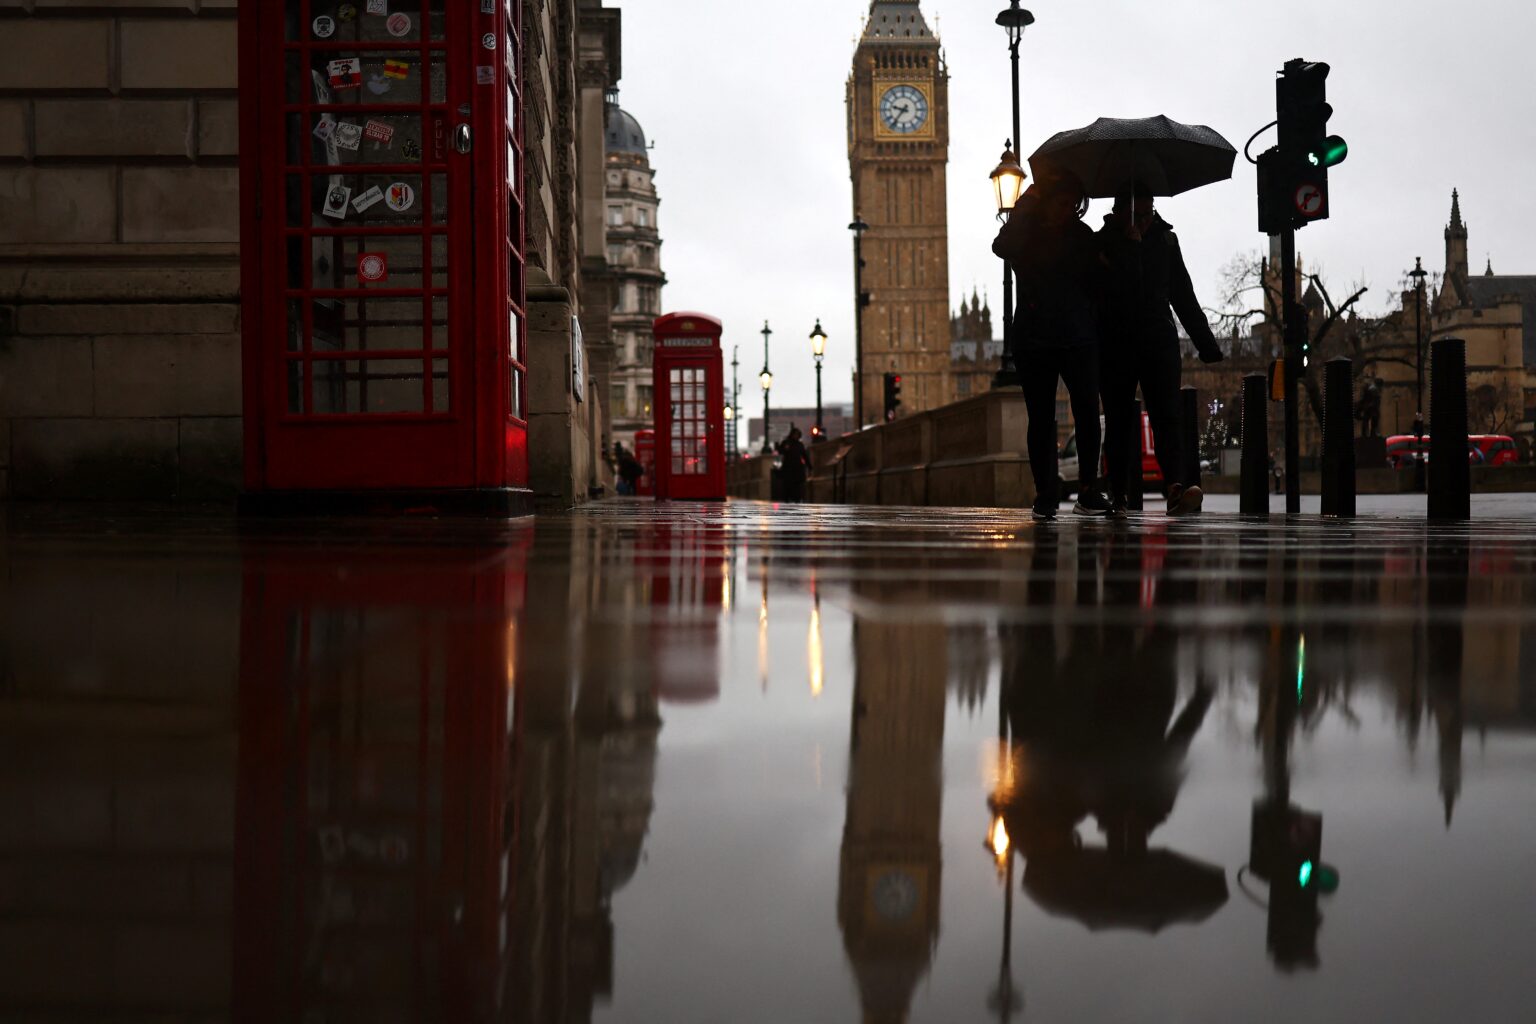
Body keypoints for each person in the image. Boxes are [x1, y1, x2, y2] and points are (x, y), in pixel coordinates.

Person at [1097, 182, 1224, 515]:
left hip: (1158, 341)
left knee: (1167, 417)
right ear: (1119, 212)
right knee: (1119, 419)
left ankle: (1176, 488)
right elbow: (1098, 293)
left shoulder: (1167, 240)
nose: (1147, 219)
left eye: (1150, 211)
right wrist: (1129, 249)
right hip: (1117, 343)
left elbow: (1183, 295)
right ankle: (1119, 494)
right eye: (1140, 213)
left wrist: (1206, 344)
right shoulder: (1103, 242)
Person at [993, 172, 1112, 519]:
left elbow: (1100, 284)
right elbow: (1002, 247)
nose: (1069, 211)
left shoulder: (1082, 236)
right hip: (1036, 337)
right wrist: (1024, 207)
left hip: (1078, 336)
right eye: (1063, 204)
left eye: (1075, 205)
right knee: (1041, 418)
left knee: (1088, 411)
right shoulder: (1025, 234)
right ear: (1047, 202)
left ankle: (1088, 489)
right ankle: (1046, 493)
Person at [775, 425, 811, 503]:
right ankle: (787, 499)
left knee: (797, 485)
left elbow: (804, 455)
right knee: (787, 485)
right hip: (788, 467)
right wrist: (781, 448)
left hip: (797, 468)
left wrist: (809, 466)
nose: (796, 436)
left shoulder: (800, 444)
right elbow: (780, 452)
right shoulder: (786, 442)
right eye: (795, 434)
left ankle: (797, 499)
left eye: (797, 434)